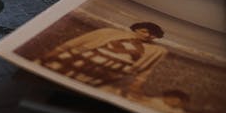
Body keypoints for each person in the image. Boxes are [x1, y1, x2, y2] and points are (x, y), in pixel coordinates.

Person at [37, 22, 166, 89]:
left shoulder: (157, 50)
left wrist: (137, 84)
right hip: (82, 59)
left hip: (110, 70)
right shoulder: (109, 32)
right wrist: (55, 52)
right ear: (136, 29)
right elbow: (76, 43)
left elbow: (147, 69)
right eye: (144, 31)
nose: (147, 36)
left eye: (153, 35)